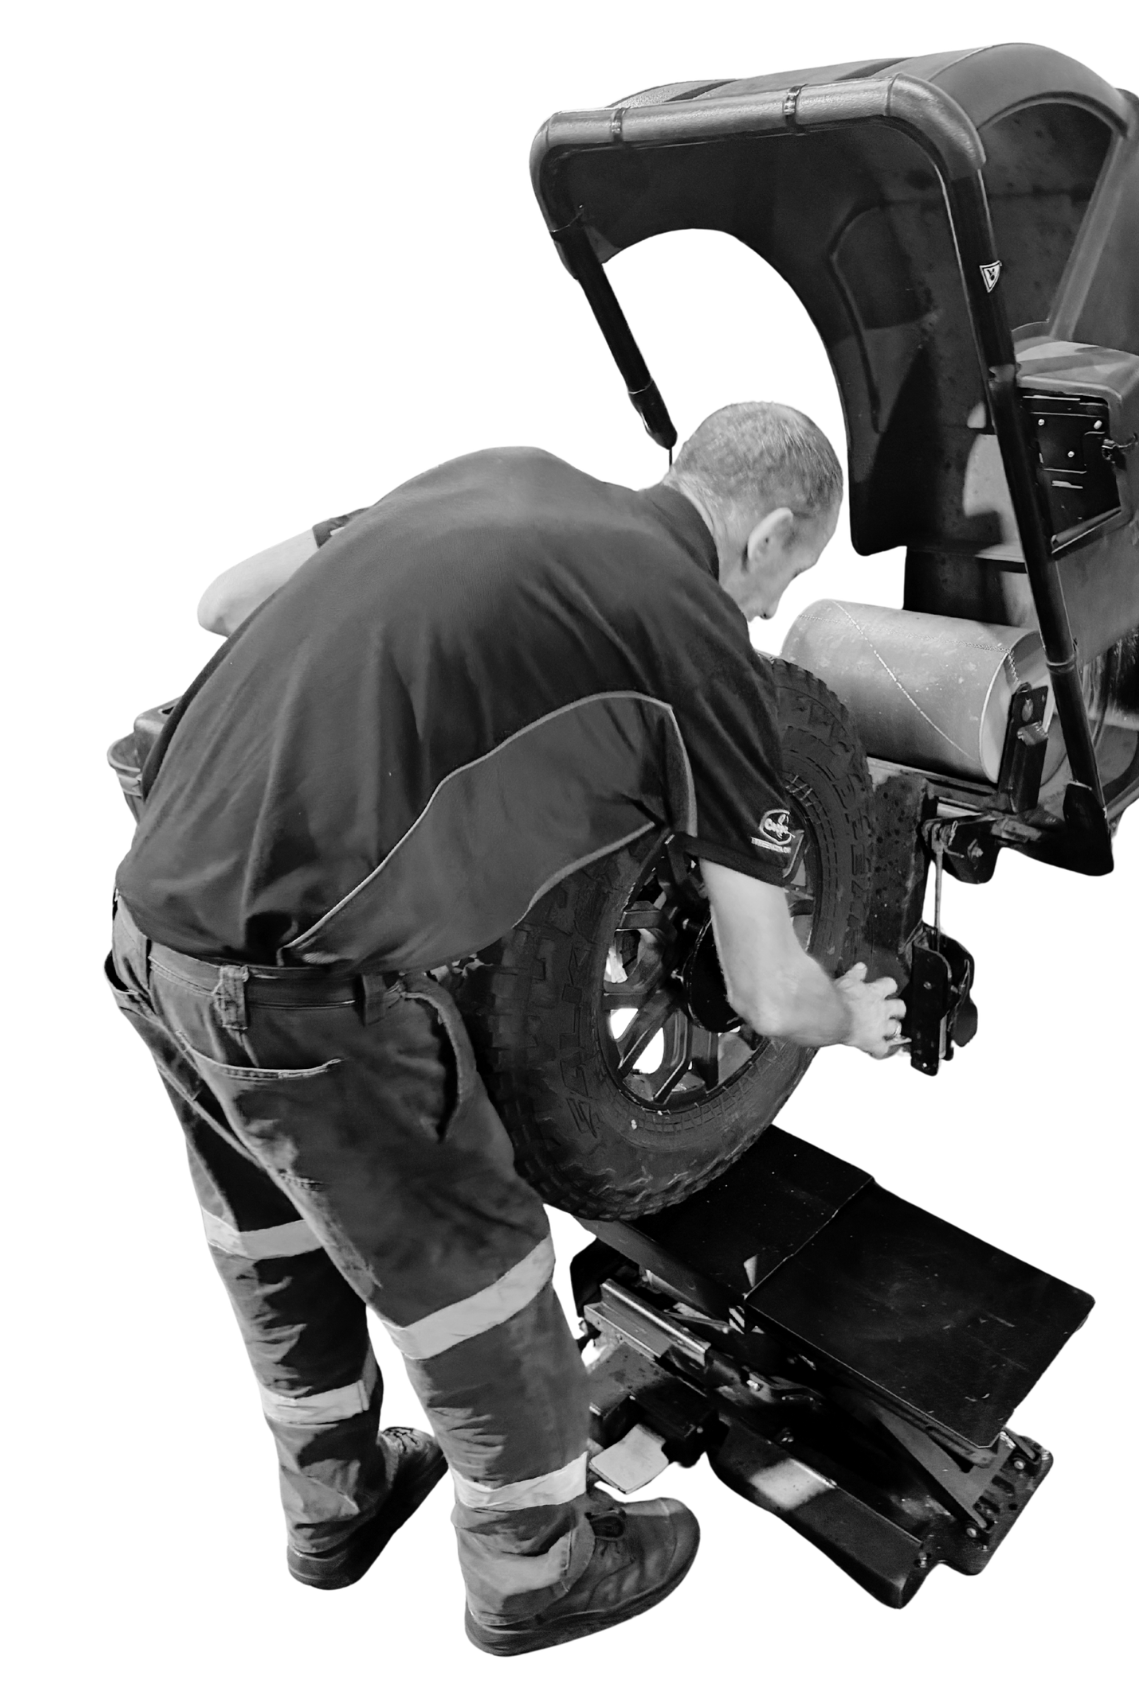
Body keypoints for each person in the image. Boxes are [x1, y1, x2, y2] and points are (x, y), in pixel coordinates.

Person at [107, 401, 906, 1656]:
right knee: (478, 1257)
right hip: (300, 989)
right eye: (786, 580)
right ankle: (536, 1564)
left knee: (274, 1229)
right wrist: (850, 1009)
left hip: (153, 928)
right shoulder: (698, 646)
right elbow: (764, 992)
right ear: (772, 530)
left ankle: (338, 1501)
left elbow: (224, 602)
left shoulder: (495, 472)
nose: (765, 615)